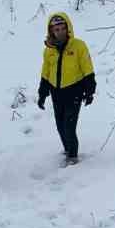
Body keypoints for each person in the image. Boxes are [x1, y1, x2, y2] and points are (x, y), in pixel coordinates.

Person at [36, 12, 96, 164]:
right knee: (60, 127)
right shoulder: (48, 50)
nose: (60, 32)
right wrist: (42, 94)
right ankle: (67, 149)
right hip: (57, 94)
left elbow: (87, 69)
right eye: (56, 30)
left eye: (63, 28)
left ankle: (73, 157)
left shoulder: (78, 46)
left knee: (69, 127)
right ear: (51, 31)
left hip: (74, 92)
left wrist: (89, 91)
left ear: (68, 28)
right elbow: (45, 73)